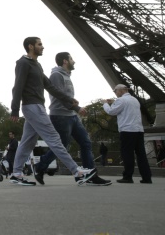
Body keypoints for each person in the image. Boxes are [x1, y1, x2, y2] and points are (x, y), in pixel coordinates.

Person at [9, 37, 95, 186]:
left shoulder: (36, 65)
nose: (43, 47)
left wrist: (71, 102)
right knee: (54, 138)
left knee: (27, 142)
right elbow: (17, 87)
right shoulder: (23, 63)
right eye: (39, 44)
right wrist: (14, 109)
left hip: (37, 106)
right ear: (31, 46)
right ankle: (77, 172)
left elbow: (50, 86)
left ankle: (16, 174)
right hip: (33, 106)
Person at [31, 52, 111, 186]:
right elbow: (59, 95)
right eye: (71, 58)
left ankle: (89, 174)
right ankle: (40, 166)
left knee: (85, 143)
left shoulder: (66, 75)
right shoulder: (56, 75)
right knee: (62, 147)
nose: (74, 61)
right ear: (65, 61)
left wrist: (75, 110)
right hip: (60, 116)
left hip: (71, 116)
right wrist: (77, 108)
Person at [103, 84, 153, 184]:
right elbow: (125, 107)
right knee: (141, 155)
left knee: (127, 154)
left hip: (127, 130)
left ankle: (128, 176)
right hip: (138, 130)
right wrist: (114, 102)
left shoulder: (121, 100)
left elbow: (111, 112)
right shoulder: (134, 100)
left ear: (121, 90)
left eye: (115, 91)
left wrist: (105, 104)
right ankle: (146, 177)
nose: (115, 93)